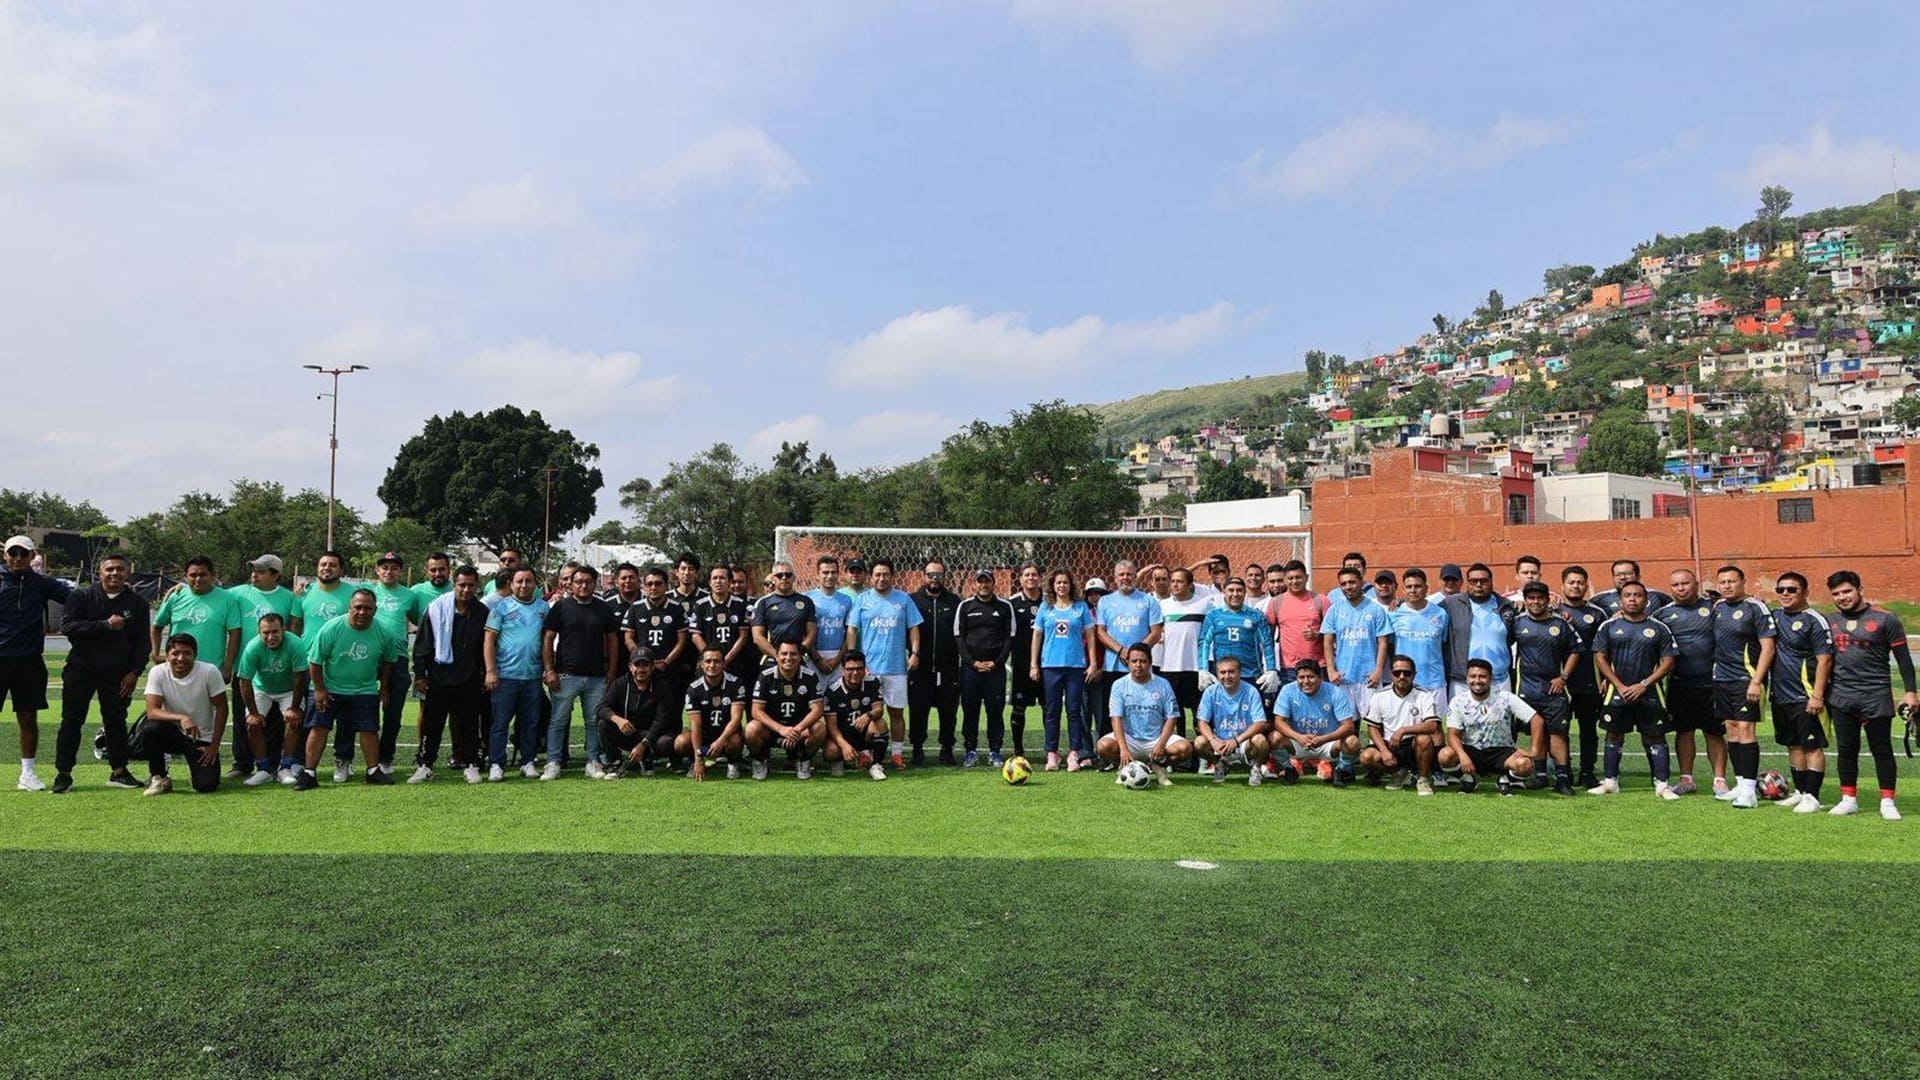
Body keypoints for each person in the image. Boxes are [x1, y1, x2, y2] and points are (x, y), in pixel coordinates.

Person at [1822, 570, 1915, 819]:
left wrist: (1911, 693)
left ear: (1859, 589)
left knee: (1881, 749)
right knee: (1846, 749)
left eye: (1846, 591)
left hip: (1875, 694)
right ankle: (1848, 798)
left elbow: (1904, 660)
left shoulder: (1886, 619)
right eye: (1836, 594)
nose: (1842, 597)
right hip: (1841, 695)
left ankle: (1887, 801)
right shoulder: (1829, 620)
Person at [53, 552, 148, 793]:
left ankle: (119, 771)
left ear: (127, 572)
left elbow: (142, 642)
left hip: (118, 673)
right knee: (72, 721)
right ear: (100, 572)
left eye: (119, 569)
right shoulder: (81, 596)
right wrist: (105, 625)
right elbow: (68, 627)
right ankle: (63, 773)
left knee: (116, 722)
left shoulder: (137, 603)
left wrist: (135, 672)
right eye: (110, 569)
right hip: (80, 670)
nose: (115, 573)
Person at [298, 589, 402, 790]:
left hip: (364, 689)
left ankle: (373, 771)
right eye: (358, 607)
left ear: (375, 609)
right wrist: (319, 690)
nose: (362, 612)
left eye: (368, 608)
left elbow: (389, 662)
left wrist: (384, 688)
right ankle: (309, 773)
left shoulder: (384, 632)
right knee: (319, 727)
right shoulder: (332, 628)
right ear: (349, 608)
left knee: (370, 730)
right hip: (330, 687)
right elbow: (315, 662)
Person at [1589, 582, 1681, 799]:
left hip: (1650, 692)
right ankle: (1611, 782)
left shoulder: (1659, 628)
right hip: (1617, 692)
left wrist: (1644, 684)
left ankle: (1662, 785)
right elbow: (1600, 658)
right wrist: (1619, 685)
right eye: (1628, 595)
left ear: (1645, 600)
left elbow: (1668, 662)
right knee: (1614, 735)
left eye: (1637, 595)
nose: (1632, 599)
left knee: (1655, 736)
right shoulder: (1608, 627)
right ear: (1621, 600)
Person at [844, 558, 922, 771]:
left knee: (896, 713)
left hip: (896, 667)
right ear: (871, 577)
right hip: (869, 668)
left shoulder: (903, 599)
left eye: (885, 574)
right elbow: (852, 629)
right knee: (867, 713)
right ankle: (865, 754)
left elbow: (914, 627)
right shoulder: (862, 600)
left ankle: (896, 754)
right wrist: (854, 658)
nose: (881, 578)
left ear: (892, 576)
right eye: (877, 574)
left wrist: (914, 653)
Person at [413, 565, 488, 784]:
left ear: (477, 587)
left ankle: (472, 764)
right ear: (454, 585)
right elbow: (423, 644)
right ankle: (425, 765)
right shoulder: (436, 608)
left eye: (471, 585)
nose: (466, 589)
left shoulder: (482, 612)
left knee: (470, 725)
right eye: (461, 585)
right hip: (439, 678)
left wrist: (485, 673)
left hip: (470, 679)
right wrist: (420, 675)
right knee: (432, 725)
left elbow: (486, 646)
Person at [542, 564, 618, 780]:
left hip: (596, 676)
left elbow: (612, 640)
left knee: (593, 720)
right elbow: (548, 638)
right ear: (571, 584)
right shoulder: (560, 607)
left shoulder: (603, 608)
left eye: (588, 582)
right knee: (558, 720)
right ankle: (553, 762)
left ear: (595, 584)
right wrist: (549, 669)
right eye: (579, 582)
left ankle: (593, 761)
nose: (583, 585)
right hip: (566, 674)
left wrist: (611, 670)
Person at [226, 554, 299, 778]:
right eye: (253, 570)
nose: (254, 574)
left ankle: (276, 764)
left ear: (276, 575)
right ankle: (242, 763)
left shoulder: (290, 597)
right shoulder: (238, 593)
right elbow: (211, 593)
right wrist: (178, 589)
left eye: (261, 571)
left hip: (279, 670)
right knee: (244, 717)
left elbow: (295, 629)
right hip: (246, 667)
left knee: (277, 721)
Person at [1710, 565, 1776, 809]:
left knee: (1746, 729)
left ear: (1743, 582)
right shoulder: (1718, 607)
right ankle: (1739, 783)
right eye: (1722, 582)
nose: (1727, 586)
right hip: (1721, 679)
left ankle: (1749, 791)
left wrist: (1756, 681)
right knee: (1732, 730)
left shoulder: (1755, 608)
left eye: (1731, 581)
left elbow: (1768, 648)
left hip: (1746, 679)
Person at [1652, 569, 1723, 798]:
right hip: (1679, 683)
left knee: (1714, 732)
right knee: (1684, 731)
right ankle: (1687, 779)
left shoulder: (1714, 607)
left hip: (1711, 682)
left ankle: (1719, 781)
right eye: (1676, 585)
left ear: (1696, 583)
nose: (1681, 588)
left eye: (1685, 583)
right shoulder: (1662, 615)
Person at [1768, 571, 1833, 813]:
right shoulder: (1775, 616)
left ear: (1805, 592)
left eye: (1791, 589)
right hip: (1781, 695)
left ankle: (1813, 797)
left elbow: (1825, 660)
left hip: (1806, 695)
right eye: (1781, 590)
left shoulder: (1814, 620)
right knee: (1793, 746)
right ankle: (1800, 792)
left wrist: (1817, 695)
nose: (1785, 594)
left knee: (1812, 747)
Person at [294, 549, 360, 781]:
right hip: (309, 664)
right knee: (309, 716)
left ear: (341, 570)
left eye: (332, 565)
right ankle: (301, 763)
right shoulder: (305, 593)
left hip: (341, 663)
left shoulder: (353, 594)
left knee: (345, 717)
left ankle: (343, 760)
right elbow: (295, 626)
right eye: (323, 564)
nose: (326, 568)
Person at [133, 633, 228, 796]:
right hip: (172, 732)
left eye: (187, 653)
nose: (181, 658)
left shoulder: (209, 672)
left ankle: (195, 772)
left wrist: (214, 745)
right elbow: (152, 711)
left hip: (200, 737)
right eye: (175, 653)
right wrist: (182, 717)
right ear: (167, 655)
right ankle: (159, 777)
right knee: (151, 728)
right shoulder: (158, 672)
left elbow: (222, 708)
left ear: (195, 655)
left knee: (206, 785)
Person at [1510, 582, 1576, 795]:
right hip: (1527, 689)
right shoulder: (1517, 623)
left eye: (1540, 598)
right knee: (1536, 733)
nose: (1535, 602)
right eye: (1531, 598)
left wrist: (1563, 677)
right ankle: (1539, 776)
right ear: (1526, 600)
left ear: (1548, 600)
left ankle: (1562, 779)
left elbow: (1576, 650)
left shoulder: (1561, 623)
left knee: (1558, 733)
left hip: (1554, 689)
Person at [364, 551, 426, 778]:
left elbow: (421, 622)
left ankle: (385, 756)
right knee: (365, 709)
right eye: (384, 567)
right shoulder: (367, 592)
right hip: (369, 657)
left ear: (400, 570)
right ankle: (357, 759)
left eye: (394, 567)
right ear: (377, 570)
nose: (389, 571)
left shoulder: (409, 596)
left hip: (398, 658)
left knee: (393, 712)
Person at [483, 568, 549, 781]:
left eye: (528, 581)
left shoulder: (543, 607)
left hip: (532, 676)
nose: (524, 585)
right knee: (500, 722)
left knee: (530, 722)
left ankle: (527, 761)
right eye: (519, 581)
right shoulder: (501, 607)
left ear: (535, 584)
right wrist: (491, 671)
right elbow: (489, 639)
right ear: (511, 584)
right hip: (505, 676)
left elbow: (548, 640)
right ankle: (496, 763)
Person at [1093, 561, 1164, 758]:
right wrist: (1121, 651)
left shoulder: (1149, 601)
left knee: (1143, 712)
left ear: (1136, 576)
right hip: (1113, 666)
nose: (1126, 578)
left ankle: (1150, 752)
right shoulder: (1105, 602)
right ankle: (1109, 757)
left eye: (1129, 574)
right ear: (1115, 578)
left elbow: (1156, 633)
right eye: (1121, 574)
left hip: (1141, 669)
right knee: (1111, 714)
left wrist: (1135, 655)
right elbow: (1101, 632)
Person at [1028, 569, 1097, 772]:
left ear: (1070, 585)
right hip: (1051, 666)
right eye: (1058, 582)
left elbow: (1091, 637)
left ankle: (1074, 753)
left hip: (1075, 666)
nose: (1061, 586)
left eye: (1065, 582)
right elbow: (1037, 637)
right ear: (1052, 586)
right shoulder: (1045, 608)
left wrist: (1092, 663)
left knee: (1074, 711)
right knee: (1052, 711)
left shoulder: (1081, 607)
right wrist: (1034, 664)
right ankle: (1052, 753)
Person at [1439, 659, 1538, 796]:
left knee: (1525, 765)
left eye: (1482, 676)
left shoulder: (1505, 698)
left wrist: (1533, 750)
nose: (1477, 681)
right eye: (1473, 676)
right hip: (1472, 751)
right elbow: (1452, 734)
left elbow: (1536, 719)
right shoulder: (1458, 701)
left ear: (1490, 678)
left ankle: (1505, 779)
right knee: (1445, 756)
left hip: (1502, 752)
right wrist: (1462, 755)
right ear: (1467, 678)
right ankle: (1468, 780)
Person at [150, 555, 242, 702]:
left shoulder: (227, 599)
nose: (198, 579)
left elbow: (235, 634)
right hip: (177, 668)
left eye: (203, 574)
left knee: (208, 717)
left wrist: (227, 667)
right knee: (172, 715)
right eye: (193, 575)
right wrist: (155, 653)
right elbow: (157, 626)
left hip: (210, 669)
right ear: (185, 577)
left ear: (212, 576)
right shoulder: (176, 596)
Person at [1095, 643, 1189, 786]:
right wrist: (1123, 749)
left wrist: (1161, 744)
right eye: (1134, 661)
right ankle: (1128, 768)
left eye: (1143, 661)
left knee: (1185, 748)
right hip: (1130, 738)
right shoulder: (1119, 685)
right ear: (1128, 662)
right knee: (1103, 745)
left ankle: (1158, 766)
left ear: (1150, 663)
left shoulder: (1163, 684)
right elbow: (1116, 719)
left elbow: (1171, 717)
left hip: (1156, 738)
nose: (1138, 665)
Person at [232, 613, 306, 787]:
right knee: (252, 723)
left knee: (293, 720)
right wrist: (254, 713)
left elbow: (300, 679)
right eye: (265, 633)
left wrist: (294, 708)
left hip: (288, 689)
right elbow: (245, 681)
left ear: (284, 630)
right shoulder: (252, 648)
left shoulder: (295, 644)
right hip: (262, 689)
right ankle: (264, 769)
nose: (270, 637)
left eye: (275, 632)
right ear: (259, 632)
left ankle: (285, 767)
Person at [621, 566, 692, 740]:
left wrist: (666, 662)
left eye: (658, 584)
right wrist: (641, 659)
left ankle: (672, 753)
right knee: (643, 711)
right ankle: (644, 751)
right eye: (650, 584)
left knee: (673, 710)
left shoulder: (676, 609)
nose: (653, 587)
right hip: (644, 671)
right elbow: (628, 637)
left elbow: (682, 640)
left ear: (666, 586)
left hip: (668, 669)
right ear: (644, 586)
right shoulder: (635, 608)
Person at [954, 570, 1016, 767]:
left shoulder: (1005, 607)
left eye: (987, 581)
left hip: (994, 670)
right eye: (980, 582)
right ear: (974, 585)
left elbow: (1010, 637)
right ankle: (970, 751)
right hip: (970, 670)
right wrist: (972, 662)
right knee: (970, 711)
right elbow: (958, 637)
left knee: (995, 712)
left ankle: (995, 751)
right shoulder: (965, 606)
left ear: (993, 584)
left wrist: (997, 662)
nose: (984, 585)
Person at [1556, 565, 1607, 789]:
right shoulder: (1552, 611)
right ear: (1562, 585)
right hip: (1560, 682)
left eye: (1580, 582)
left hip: (1590, 680)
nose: (1576, 586)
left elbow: (1607, 648)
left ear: (1586, 586)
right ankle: (1563, 771)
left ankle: (1587, 772)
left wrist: (1605, 676)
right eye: (1571, 582)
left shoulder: (1597, 613)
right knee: (1560, 728)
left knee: (1588, 729)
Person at [1270, 658, 1359, 786]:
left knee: (1352, 742)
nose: (1305, 681)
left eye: (1310, 677)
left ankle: (1341, 770)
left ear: (1320, 677)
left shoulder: (1334, 692)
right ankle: (1289, 769)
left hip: (1327, 743)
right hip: (1300, 742)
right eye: (1301, 677)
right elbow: (1278, 722)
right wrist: (1298, 737)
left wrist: (1323, 739)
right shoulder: (1287, 691)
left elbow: (1348, 726)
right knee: (1274, 737)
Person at [1358, 655, 1440, 795]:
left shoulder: (1424, 695)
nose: (1402, 676)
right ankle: (1399, 773)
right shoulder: (1380, 696)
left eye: (1407, 673)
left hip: (1414, 745)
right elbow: (1373, 728)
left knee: (1424, 739)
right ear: (1391, 675)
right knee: (1366, 757)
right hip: (1391, 745)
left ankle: (1423, 779)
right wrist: (1383, 750)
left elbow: (1432, 725)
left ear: (1414, 675)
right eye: (1397, 673)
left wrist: (1403, 730)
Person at [1320, 566, 1391, 720]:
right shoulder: (1334, 610)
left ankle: (1373, 745)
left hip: (1369, 676)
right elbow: (1327, 640)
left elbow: (1383, 642)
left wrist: (1378, 670)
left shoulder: (1375, 609)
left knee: (1375, 722)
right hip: (1343, 676)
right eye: (1343, 584)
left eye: (1352, 582)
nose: (1348, 587)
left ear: (1361, 582)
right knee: (1347, 723)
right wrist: (1331, 670)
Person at [747, 640, 825, 781]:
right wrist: (781, 729)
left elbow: (817, 709)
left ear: (800, 657)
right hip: (772, 730)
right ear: (776, 656)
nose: (788, 658)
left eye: (793, 654)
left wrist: (796, 730)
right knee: (751, 729)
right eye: (784, 654)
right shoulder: (765, 676)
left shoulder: (810, 676)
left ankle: (803, 760)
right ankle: (760, 760)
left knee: (819, 729)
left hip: (799, 731)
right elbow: (756, 711)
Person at [908, 560, 961, 765]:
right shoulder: (912, 601)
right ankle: (917, 749)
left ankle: (947, 749)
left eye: (938, 575)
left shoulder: (954, 601)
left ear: (944, 577)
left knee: (949, 711)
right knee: (918, 710)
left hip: (948, 668)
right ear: (924, 576)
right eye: (931, 575)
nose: (934, 579)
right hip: (920, 668)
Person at [1438, 563, 1513, 706]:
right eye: (1474, 581)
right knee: (1461, 726)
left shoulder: (1506, 606)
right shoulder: (1451, 604)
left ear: (1491, 582)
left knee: (1501, 725)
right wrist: (1400, 603)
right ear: (1467, 583)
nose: (1478, 585)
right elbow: (1423, 609)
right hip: (1462, 681)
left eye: (1483, 581)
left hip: (1500, 679)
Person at [1190, 654, 1270, 786]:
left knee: (1260, 740)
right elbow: (1202, 722)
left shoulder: (1251, 691)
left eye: (1231, 672)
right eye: (1222, 672)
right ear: (1217, 673)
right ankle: (1220, 764)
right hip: (1220, 742)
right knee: (1199, 742)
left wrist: (1237, 741)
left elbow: (1260, 722)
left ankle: (1256, 768)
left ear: (1240, 672)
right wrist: (1213, 741)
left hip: (1244, 741)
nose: (1227, 676)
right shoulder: (1210, 692)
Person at [1154, 567, 1211, 749]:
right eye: (1173, 581)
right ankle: (1174, 754)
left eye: (1180, 581)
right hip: (1169, 668)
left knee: (1200, 714)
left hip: (1196, 668)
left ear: (1190, 585)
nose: (1175, 585)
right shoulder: (1163, 606)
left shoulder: (1205, 604)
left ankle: (1204, 755)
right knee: (1172, 714)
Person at [1197, 579, 1277, 705]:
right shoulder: (1213, 616)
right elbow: (1204, 643)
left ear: (1245, 592)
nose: (1235, 594)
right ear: (1224, 592)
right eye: (1231, 590)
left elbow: (1267, 643)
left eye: (1239, 590)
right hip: (1223, 675)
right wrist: (1203, 669)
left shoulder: (1256, 616)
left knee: (1255, 718)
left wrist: (1271, 669)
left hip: (1250, 675)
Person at [597, 649, 668, 779]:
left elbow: (661, 720)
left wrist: (643, 744)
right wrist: (618, 720)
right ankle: (615, 763)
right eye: (637, 665)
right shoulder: (620, 683)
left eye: (645, 665)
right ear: (630, 667)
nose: (641, 669)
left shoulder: (662, 686)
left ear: (653, 667)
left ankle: (646, 760)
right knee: (603, 724)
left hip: (648, 734)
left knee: (666, 742)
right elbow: (601, 707)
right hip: (627, 731)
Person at [683, 645, 750, 780]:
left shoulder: (736, 683)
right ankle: (694, 762)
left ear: (724, 663)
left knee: (735, 740)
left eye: (717, 661)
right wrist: (699, 759)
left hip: (726, 735)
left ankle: (732, 763)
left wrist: (720, 741)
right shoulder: (693, 688)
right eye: (708, 661)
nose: (712, 665)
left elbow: (736, 719)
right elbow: (695, 725)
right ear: (701, 664)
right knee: (681, 742)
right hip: (705, 736)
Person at [1388, 568, 1449, 715]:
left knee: (1436, 730)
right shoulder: (1394, 614)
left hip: (1434, 682)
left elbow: (1444, 643)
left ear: (1426, 589)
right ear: (1403, 589)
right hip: (1404, 682)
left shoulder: (1440, 613)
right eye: (1409, 587)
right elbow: (1389, 646)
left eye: (1418, 586)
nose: (1413, 590)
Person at [823, 649, 889, 780]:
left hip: (864, 735)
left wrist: (867, 715)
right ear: (843, 670)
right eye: (850, 669)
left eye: (859, 668)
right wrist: (844, 745)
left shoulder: (872, 682)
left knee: (880, 724)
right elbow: (831, 726)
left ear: (865, 669)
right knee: (831, 751)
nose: (855, 673)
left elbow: (879, 710)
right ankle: (839, 760)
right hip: (844, 735)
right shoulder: (832, 691)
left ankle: (876, 764)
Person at [1006, 563, 1046, 756]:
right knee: (1019, 707)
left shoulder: (1049, 602)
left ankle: (1050, 749)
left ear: (1040, 578)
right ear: (1020, 579)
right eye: (1027, 575)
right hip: (1022, 666)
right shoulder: (1012, 603)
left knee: (1049, 707)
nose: (1031, 578)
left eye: (1034, 574)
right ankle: (1018, 749)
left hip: (1047, 664)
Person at [752, 561, 817, 674]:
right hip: (772, 660)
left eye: (788, 575)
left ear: (794, 578)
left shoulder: (806, 602)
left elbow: (812, 632)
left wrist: (798, 653)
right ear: (773, 578)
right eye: (779, 575)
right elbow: (757, 637)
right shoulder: (763, 603)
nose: (784, 578)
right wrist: (777, 655)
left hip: (798, 661)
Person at [692, 566, 753, 688]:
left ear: (730, 582)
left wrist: (726, 659)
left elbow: (743, 636)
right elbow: (695, 636)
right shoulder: (700, 605)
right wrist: (711, 658)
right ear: (709, 582)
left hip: (733, 663)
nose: (718, 581)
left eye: (722, 578)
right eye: (714, 578)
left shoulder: (740, 605)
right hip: (708, 664)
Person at [1268, 560, 1327, 680]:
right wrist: (1270, 667)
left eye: (1298, 577)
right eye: (1290, 578)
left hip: (1317, 666)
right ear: (1285, 580)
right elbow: (1267, 638)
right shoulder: (1276, 602)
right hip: (1289, 668)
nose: (1294, 581)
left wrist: (1317, 634)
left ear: (1306, 577)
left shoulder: (1320, 600)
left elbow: (1334, 633)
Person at [806, 555, 852, 690]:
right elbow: (804, 633)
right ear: (817, 575)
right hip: (813, 656)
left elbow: (849, 633)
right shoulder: (807, 598)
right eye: (825, 572)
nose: (829, 576)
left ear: (838, 575)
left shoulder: (846, 600)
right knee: (814, 701)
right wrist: (818, 659)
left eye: (833, 572)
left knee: (835, 704)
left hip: (837, 657)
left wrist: (838, 659)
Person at [1590, 559, 1673, 617]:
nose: (1622, 577)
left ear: (1638, 576)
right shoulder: (1599, 599)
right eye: (1618, 575)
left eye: (1627, 574)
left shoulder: (1658, 597)